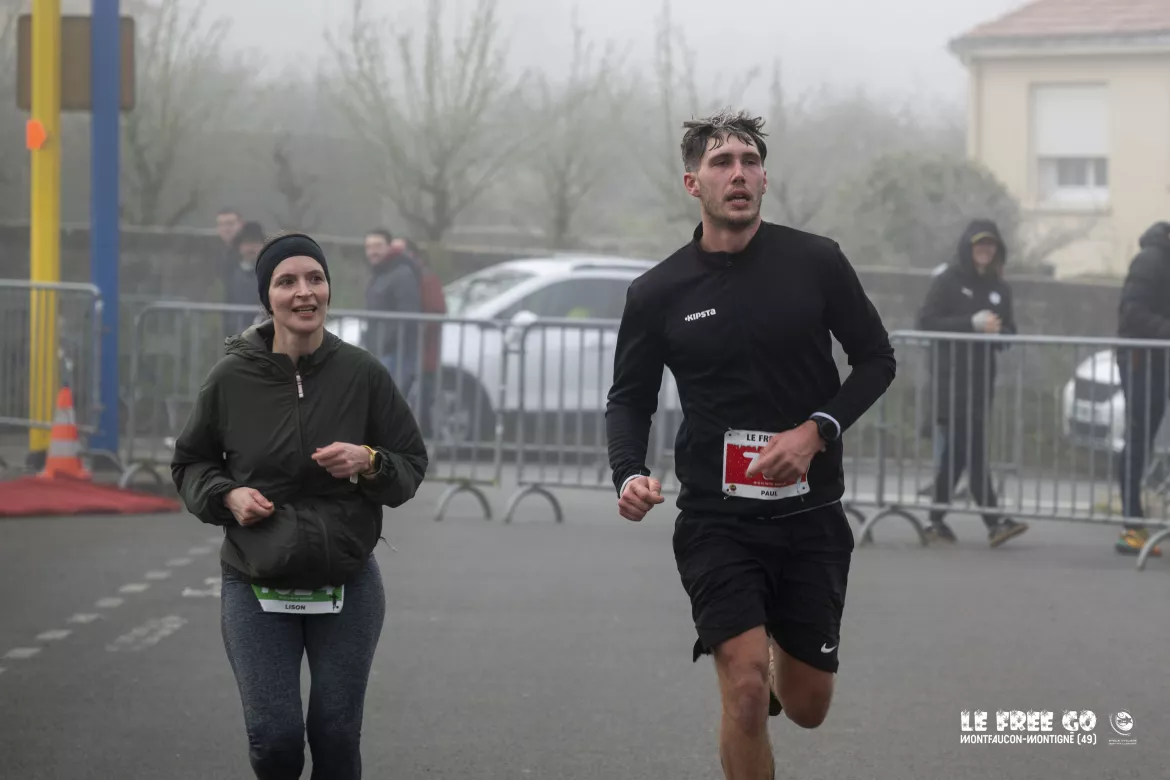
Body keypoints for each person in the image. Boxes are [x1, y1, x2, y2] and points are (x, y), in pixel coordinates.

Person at [606, 110, 896, 780]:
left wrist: (817, 430)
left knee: (808, 707)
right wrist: (628, 473)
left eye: (749, 161)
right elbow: (629, 398)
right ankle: (748, 665)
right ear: (693, 183)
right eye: (721, 162)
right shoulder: (657, 292)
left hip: (810, 516)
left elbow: (877, 359)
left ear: (764, 179)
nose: (737, 173)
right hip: (717, 521)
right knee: (742, 693)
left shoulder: (816, 261)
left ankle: (771, 662)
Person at [171, 232, 429, 779]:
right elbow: (190, 463)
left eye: (315, 278)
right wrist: (228, 495)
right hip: (255, 578)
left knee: (336, 736)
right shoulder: (231, 378)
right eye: (286, 281)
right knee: (275, 740)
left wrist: (369, 461)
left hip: (347, 580)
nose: (304, 292)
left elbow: (411, 463)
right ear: (268, 297)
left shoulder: (362, 373)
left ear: (329, 289)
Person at [916, 221, 1028, 547]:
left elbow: (1010, 331)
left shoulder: (1000, 288)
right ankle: (994, 521)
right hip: (951, 379)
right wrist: (971, 324)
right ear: (968, 247)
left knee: (958, 453)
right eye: (979, 245)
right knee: (973, 448)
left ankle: (934, 521)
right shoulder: (948, 280)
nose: (984, 250)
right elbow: (926, 321)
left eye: (990, 245)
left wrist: (999, 333)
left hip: (981, 380)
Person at [1114, 221, 1170, 556]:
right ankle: (1131, 523)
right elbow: (1132, 313)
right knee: (1139, 438)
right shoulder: (1151, 260)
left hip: (1162, 360)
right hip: (1142, 361)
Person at [364, 229, 424, 397]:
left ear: (389, 247)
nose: (372, 251)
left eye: (378, 246)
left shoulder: (402, 273)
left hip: (396, 353)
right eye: (369, 247)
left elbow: (408, 313)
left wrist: (386, 342)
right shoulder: (378, 274)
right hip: (381, 350)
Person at [224, 221, 267, 336]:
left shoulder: (271, 273)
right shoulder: (229, 273)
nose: (251, 248)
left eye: (256, 243)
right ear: (239, 247)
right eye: (247, 243)